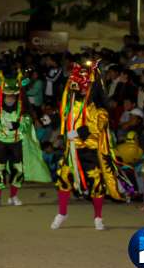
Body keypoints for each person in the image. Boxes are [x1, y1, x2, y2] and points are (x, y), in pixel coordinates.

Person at [53, 61, 127, 231]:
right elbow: (65, 119)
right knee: (63, 177)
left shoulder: (98, 109)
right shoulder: (71, 104)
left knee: (96, 182)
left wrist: (77, 133)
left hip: (90, 150)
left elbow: (96, 128)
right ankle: (62, 213)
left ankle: (98, 217)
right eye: (79, 86)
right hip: (72, 150)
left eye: (84, 86)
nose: (81, 89)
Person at [0, 71, 50, 208]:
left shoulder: (22, 106)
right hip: (0, 143)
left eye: (12, 95)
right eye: (7, 94)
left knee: (17, 170)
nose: (9, 97)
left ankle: (13, 196)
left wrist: (19, 124)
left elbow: (27, 121)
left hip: (16, 143)